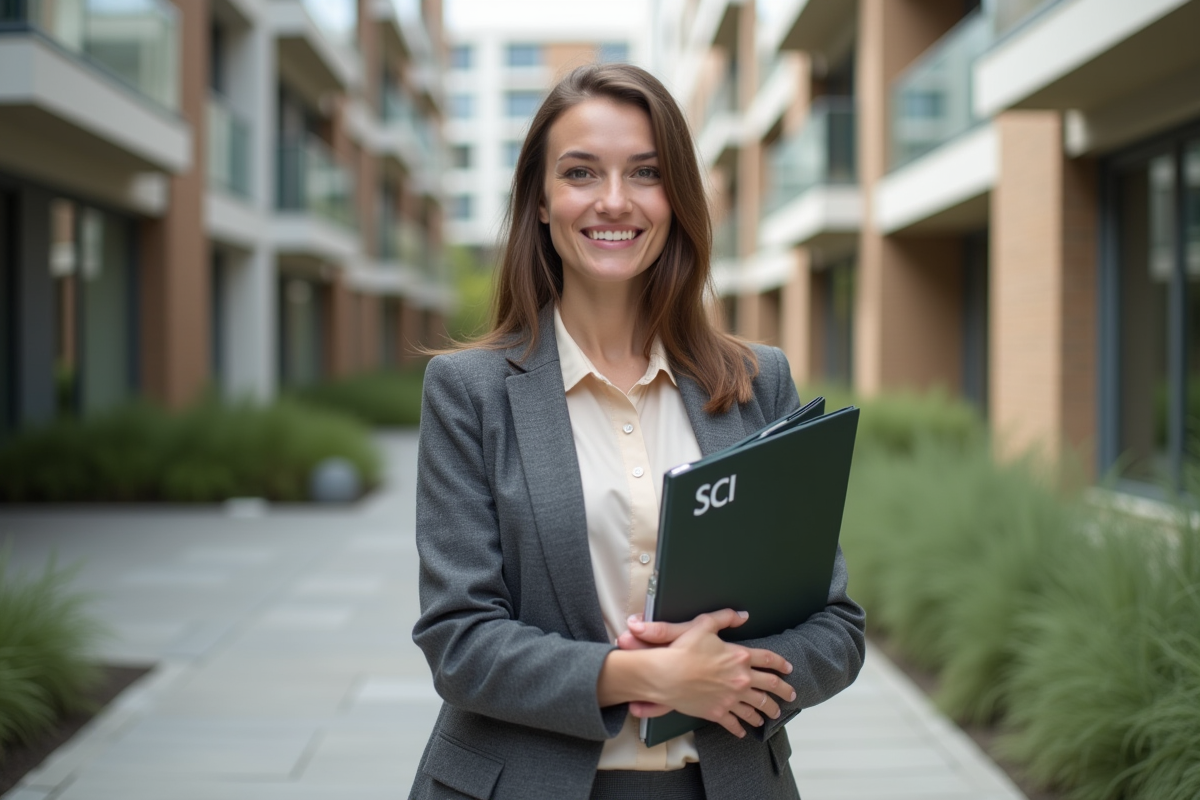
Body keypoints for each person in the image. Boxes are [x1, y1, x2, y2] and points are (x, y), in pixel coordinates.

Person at [410, 63, 865, 800]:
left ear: (676, 199)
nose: (613, 201)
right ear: (542, 203)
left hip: (725, 781)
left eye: (645, 173)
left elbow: (835, 629)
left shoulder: (757, 381)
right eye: (582, 172)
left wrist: (727, 679)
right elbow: (458, 640)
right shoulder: (470, 394)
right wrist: (643, 676)